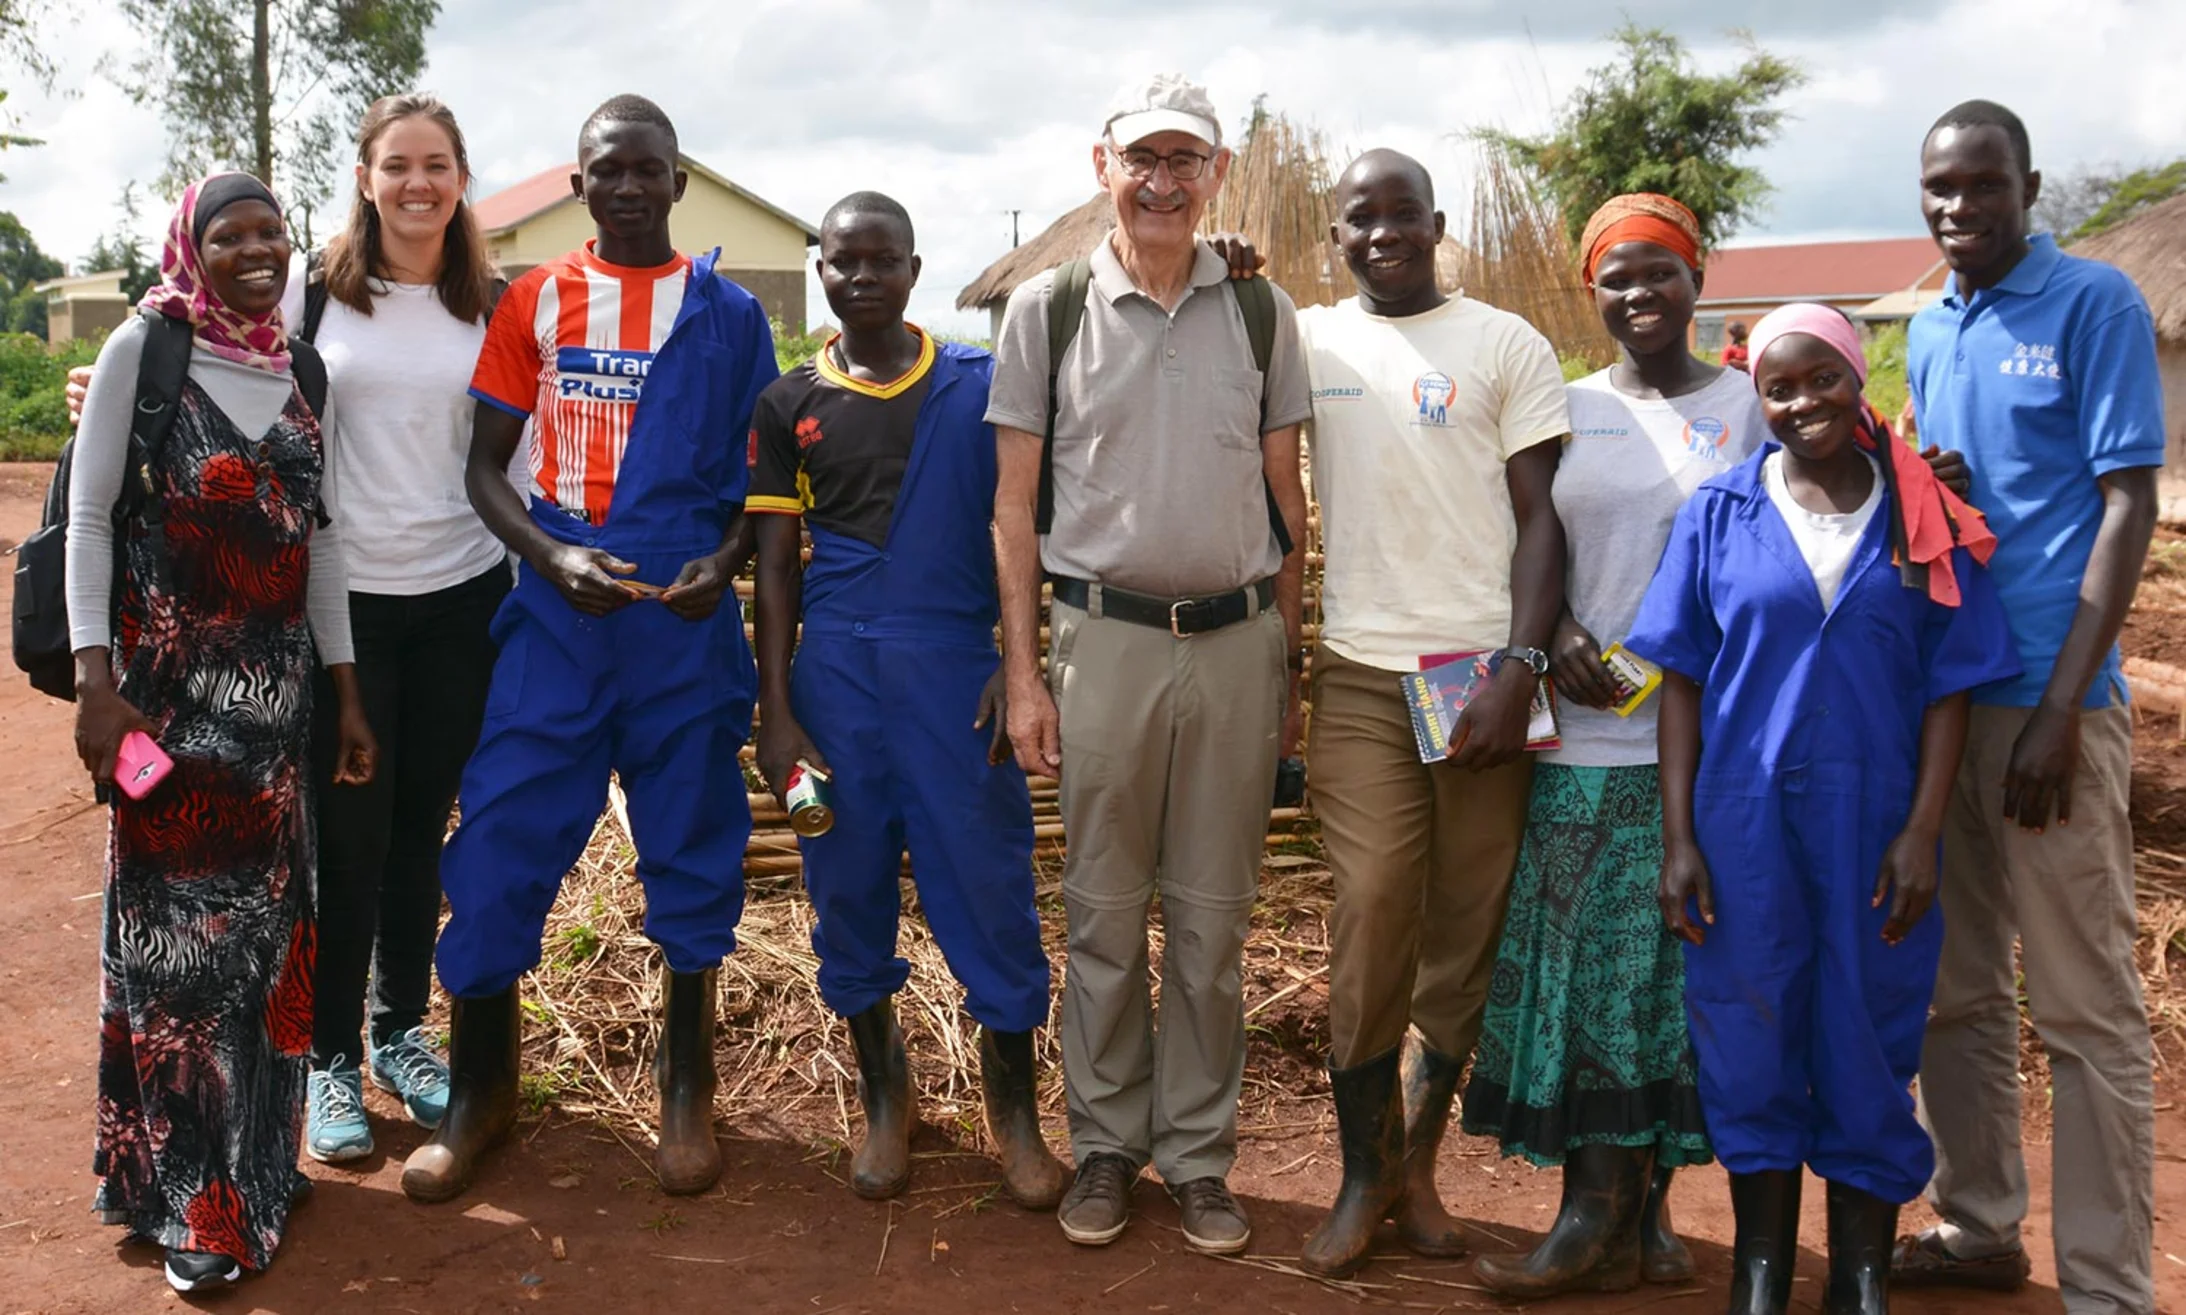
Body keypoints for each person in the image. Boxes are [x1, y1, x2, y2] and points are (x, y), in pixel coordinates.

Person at [63, 98, 514, 1165]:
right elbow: (205, 353)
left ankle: (404, 1033)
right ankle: (329, 1061)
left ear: (460, 178)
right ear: (363, 178)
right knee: (341, 845)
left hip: (460, 599)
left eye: (437, 165)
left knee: (419, 833)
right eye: (396, 165)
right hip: (334, 611)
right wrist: (105, 392)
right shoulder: (309, 287)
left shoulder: (496, 303)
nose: (418, 184)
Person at [399, 94, 777, 1205]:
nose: (626, 187)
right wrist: (552, 560)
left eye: (646, 170)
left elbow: (761, 479)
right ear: (578, 184)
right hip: (561, 605)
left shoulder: (729, 313)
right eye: (605, 170)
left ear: (676, 181)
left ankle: (685, 1088)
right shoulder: (537, 299)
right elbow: (484, 469)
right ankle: (483, 1095)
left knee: (694, 839)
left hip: (682, 617)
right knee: (504, 829)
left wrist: (725, 559)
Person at [1626, 304, 2020, 1315]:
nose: (1799, 401)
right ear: (1754, 398)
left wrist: (1924, 831)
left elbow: (1949, 687)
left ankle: (1856, 1274)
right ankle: (1759, 1267)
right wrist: (1677, 838)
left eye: (1819, 379)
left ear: (1855, 381)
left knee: (1865, 1024)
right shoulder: (1719, 512)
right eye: (1776, 386)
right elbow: (1677, 680)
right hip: (1740, 819)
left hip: (1875, 820)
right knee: (1746, 1023)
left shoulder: (1916, 516)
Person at [987, 73, 1310, 1255]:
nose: (1163, 182)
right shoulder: (1048, 310)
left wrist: (1284, 675)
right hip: (1103, 641)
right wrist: (1025, 677)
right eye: (1142, 160)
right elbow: (1011, 513)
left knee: (1215, 922)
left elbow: (1288, 511)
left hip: (1234, 644)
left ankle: (1200, 1158)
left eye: (1185, 161)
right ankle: (1108, 1149)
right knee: (1104, 914)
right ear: (1101, 166)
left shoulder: (1262, 316)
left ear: (1215, 172)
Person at [67, 172, 377, 1293]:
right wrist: (97, 685)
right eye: (229, 233)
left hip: (277, 722)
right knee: (177, 961)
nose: (256, 249)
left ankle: (250, 1163)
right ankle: (198, 1206)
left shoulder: (296, 369)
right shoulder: (144, 353)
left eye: (271, 232)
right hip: (164, 708)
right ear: (191, 245)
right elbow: (92, 521)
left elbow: (322, 542)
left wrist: (343, 692)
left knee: (262, 949)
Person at [1895, 100, 2166, 1315]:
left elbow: (2125, 502)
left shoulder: (2093, 302)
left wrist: (2064, 704)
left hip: (2050, 709)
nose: (1958, 208)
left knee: (2079, 1003)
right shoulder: (1930, 321)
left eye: (1981, 186)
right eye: (1937, 189)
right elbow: (1945, 506)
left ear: (2028, 185)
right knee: (1954, 991)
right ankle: (1976, 1220)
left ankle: (2105, 1283)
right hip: (1947, 702)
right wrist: (1930, 481)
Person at [1282, 149, 1571, 1279]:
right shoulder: (1307, 337)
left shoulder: (1504, 342)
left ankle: (1412, 1165)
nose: (1383, 233)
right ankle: (1361, 1174)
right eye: (1362, 219)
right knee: (1373, 905)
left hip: (1478, 673)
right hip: (1357, 668)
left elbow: (1540, 520)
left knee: (1463, 925)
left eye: (1403, 214)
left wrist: (1518, 663)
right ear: (1337, 238)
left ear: (1435, 224)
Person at [748, 191, 1065, 1209]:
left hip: (952, 673)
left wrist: (1015, 663)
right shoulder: (786, 400)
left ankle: (1012, 1113)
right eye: (843, 263)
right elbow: (775, 566)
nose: (862, 278)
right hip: (833, 678)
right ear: (823, 274)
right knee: (844, 884)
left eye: (882, 261)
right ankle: (889, 1101)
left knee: (989, 885)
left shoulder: (982, 386)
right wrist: (777, 710)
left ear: (915, 271)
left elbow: (1030, 534)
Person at [1459, 193, 1751, 1297]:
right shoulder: (1564, 406)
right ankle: (1592, 1212)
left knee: (1672, 982)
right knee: (1591, 975)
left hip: (1706, 745)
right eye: (1615, 279)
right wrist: (1558, 632)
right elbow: (1521, 537)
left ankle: (1643, 1217)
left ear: (1695, 280)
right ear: (1592, 292)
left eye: (1659, 273)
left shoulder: (1746, 405)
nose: (1638, 295)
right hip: (1581, 738)